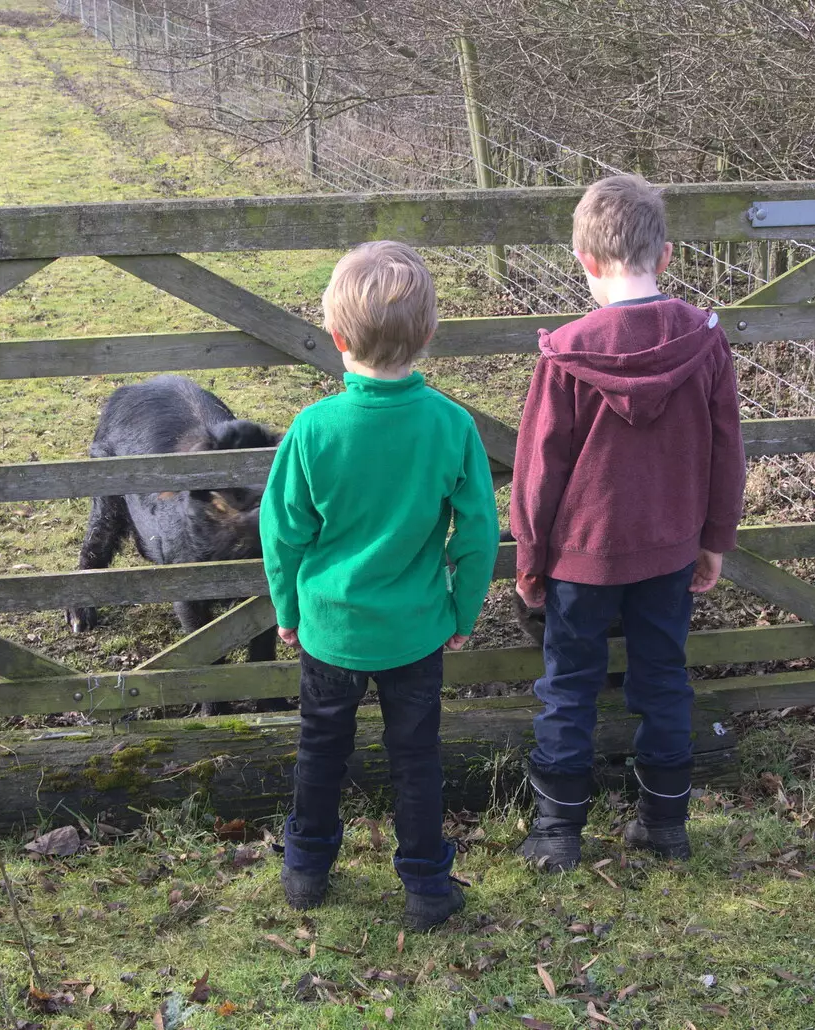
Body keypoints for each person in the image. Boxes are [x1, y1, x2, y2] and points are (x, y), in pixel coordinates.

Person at [260, 240, 500, 930]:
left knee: (320, 748)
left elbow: (282, 534)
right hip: (416, 629)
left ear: (336, 338)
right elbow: (479, 532)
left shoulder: (313, 429)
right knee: (417, 758)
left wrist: (286, 608)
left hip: (330, 629)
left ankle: (306, 869)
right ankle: (426, 885)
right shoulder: (451, 425)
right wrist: (463, 608)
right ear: (427, 334)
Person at [510, 174, 746, 870]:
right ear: (665, 256)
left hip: (581, 556)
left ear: (583, 260)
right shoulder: (704, 340)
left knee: (568, 686)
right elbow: (726, 448)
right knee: (664, 678)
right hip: (670, 549)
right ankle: (664, 825)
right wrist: (714, 540)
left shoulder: (567, 354)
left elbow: (538, 470)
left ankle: (557, 832)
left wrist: (530, 556)